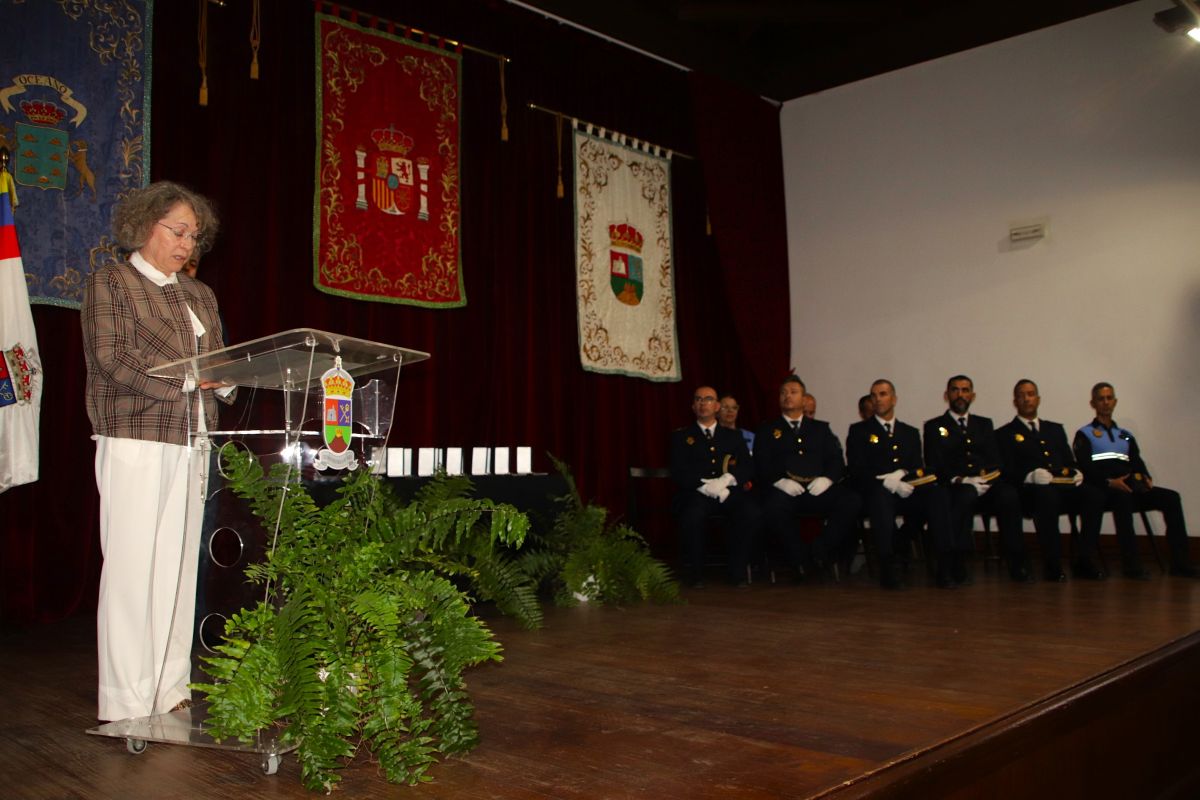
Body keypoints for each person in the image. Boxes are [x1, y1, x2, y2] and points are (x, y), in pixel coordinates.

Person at [81, 181, 233, 722]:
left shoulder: (200, 295)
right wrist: (189, 384)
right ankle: (125, 696)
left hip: (193, 442)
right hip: (136, 439)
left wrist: (227, 380)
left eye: (195, 236)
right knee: (132, 570)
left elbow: (219, 360)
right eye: (179, 231)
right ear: (146, 225)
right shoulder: (111, 282)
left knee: (178, 568)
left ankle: (170, 686)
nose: (187, 244)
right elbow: (113, 360)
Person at [1071, 382, 1198, 579]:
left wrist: (1145, 478)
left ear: (1115, 402)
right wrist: (1110, 482)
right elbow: (1086, 467)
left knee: (1172, 498)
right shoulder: (1084, 434)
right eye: (1101, 399)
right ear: (1093, 403)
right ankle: (1132, 567)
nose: (1106, 402)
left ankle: (1180, 564)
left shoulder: (1126, 436)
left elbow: (1137, 461)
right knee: (1123, 498)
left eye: (1109, 398)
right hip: (1106, 489)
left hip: (1130, 487)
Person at [846, 379, 955, 589]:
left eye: (883, 394)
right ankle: (888, 568)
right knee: (880, 500)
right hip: (878, 490)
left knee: (938, 495)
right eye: (874, 395)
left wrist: (903, 473)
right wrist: (887, 481)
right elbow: (857, 470)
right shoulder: (859, 431)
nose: (878, 399)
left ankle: (944, 564)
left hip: (907, 490)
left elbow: (916, 466)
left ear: (894, 399)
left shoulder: (909, 432)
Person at [923, 375, 1030, 583]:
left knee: (1009, 495)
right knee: (964, 496)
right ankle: (957, 560)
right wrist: (962, 480)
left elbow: (994, 460)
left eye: (965, 390)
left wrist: (987, 479)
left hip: (986, 484)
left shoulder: (983, 424)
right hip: (957, 486)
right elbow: (934, 465)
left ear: (972, 395)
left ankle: (1017, 562)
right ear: (946, 395)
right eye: (955, 390)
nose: (960, 395)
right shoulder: (934, 426)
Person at [996, 379, 1105, 582]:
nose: (1026, 399)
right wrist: (1029, 476)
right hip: (1030, 492)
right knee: (1047, 496)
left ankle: (1084, 559)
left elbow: (1068, 460)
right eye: (1021, 395)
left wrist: (1076, 471)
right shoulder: (1004, 434)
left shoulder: (1054, 429)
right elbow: (1006, 470)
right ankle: (1052, 563)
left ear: (1038, 399)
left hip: (1061, 486)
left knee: (1094, 496)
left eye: (1030, 394)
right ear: (1015, 401)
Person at [753, 376, 859, 582]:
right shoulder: (767, 430)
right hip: (785, 492)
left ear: (804, 399)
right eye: (783, 392)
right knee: (772, 507)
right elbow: (761, 463)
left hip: (816, 489)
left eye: (793, 392)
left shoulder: (820, 428)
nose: (787, 396)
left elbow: (836, 459)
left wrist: (827, 479)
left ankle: (820, 549)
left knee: (851, 500)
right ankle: (799, 559)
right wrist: (779, 481)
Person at [670, 386, 760, 587]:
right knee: (693, 515)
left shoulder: (733, 436)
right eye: (699, 399)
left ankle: (737, 572)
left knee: (750, 512)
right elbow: (678, 470)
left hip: (726, 492)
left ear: (717, 406)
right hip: (696, 493)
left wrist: (727, 480)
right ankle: (696, 574)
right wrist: (703, 486)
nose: (703, 403)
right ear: (693, 406)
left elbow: (747, 466)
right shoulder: (682, 437)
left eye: (708, 399)